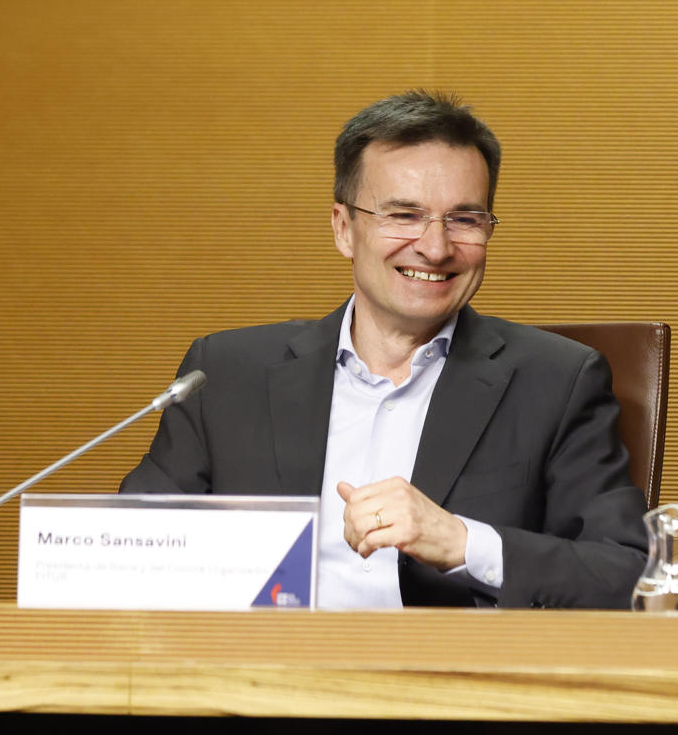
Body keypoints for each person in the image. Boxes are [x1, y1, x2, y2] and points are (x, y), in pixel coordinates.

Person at [121, 90, 646, 608]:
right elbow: (128, 553)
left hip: (446, 681)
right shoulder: (226, 375)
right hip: (254, 675)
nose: (436, 248)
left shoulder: (557, 381)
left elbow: (629, 576)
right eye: (403, 215)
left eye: (465, 219)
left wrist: (462, 542)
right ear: (343, 229)